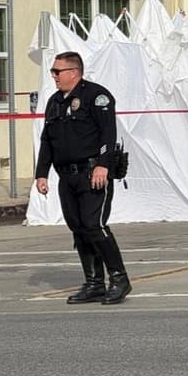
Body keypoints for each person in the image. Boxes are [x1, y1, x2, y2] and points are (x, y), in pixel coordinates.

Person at [34, 51, 131, 305]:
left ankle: (119, 278)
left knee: (94, 225)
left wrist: (103, 165)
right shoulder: (55, 102)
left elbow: (107, 134)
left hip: (92, 174)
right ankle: (94, 283)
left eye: (58, 71)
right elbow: (47, 140)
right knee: (78, 229)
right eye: (52, 72)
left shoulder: (96, 96)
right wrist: (41, 173)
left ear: (74, 72)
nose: (54, 76)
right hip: (67, 176)